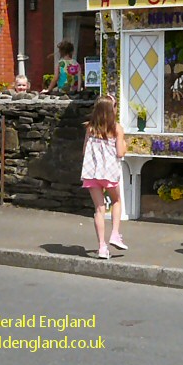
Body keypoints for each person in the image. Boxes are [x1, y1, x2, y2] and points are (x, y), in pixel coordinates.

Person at [81, 95, 128, 259]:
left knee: (99, 209)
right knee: (116, 200)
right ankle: (115, 233)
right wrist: (125, 145)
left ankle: (102, 247)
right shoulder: (116, 128)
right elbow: (120, 152)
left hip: (91, 172)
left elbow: (84, 150)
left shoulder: (90, 128)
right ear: (111, 109)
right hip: (109, 172)